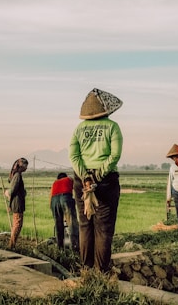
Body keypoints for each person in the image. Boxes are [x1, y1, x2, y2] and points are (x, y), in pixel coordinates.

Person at [69, 87, 123, 272]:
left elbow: (74, 156)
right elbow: (115, 155)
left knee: (85, 225)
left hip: (81, 181)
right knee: (103, 228)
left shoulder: (79, 129)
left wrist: (85, 177)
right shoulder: (112, 127)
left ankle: (86, 269)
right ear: (105, 108)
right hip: (105, 181)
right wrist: (98, 175)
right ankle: (101, 272)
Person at [50, 172, 79, 252]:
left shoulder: (55, 183)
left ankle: (60, 248)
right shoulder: (69, 179)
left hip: (54, 200)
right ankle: (75, 247)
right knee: (72, 224)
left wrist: (52, 208)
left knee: (58, 224)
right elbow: (76, 189)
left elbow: (50, 196)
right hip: (65, 197)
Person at [6, 157, 28, 249]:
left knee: (16, 224)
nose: (26, 168)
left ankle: (12, 244)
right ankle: (12, 245)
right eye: (26, 165)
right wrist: (8, 193)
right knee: (18, 224)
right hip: (17, 203)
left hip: (16, 202)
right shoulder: (18, 175)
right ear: (21, 166)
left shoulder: (15, 175)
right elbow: (13, 189)